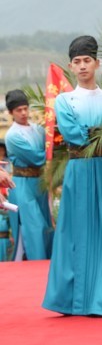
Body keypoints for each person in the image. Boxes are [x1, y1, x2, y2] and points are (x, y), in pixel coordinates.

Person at [42, 35, 102, 317]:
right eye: (77, 61)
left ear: (98, 63)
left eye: (87, 60)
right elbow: (76, 136)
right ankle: (75, 299)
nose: (83, 66)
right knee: (77, 231)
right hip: (79, 171)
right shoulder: (64, 100)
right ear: (71, 66)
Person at [4, 89, 54, 260]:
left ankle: (48, 262)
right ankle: (35, 263)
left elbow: (50, 144)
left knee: (47, 225)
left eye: (26, 108)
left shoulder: (39, 130)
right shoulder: (12, 136)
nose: (24, 113)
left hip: (40, 182)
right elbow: (37, 157)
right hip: (22, 184)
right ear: (11, 113)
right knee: (34, 227)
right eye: (19, 110)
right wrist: (53, 152)